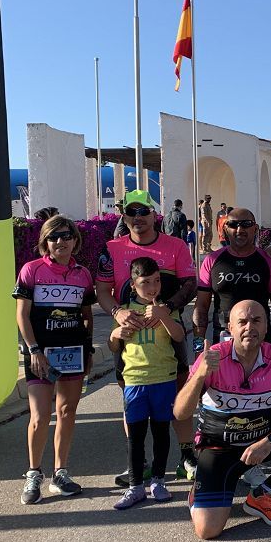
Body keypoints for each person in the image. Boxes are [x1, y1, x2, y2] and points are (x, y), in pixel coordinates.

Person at [174, 300, 271, 539]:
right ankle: (201, 489)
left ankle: (261, 495)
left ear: (266, 327)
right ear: (230, 327)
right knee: (208, 531)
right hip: (218, 448)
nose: (250, 327)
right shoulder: (213, 357)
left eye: (257, 320)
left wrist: (269, 441)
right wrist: (200, 376)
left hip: (262, 444)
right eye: (242, 322)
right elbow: (180, 413)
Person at [95, 189, 198, 484]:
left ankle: (186, 456)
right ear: (124, 216)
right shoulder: (111, 249)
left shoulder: (175, 245)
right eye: (132, 212)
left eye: (144, 212)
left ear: (155, 215)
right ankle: (137, 462)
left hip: (168, 332)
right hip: (129, 336)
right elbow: (102, 291)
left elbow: (190, 284)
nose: (138, 218)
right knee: (130, 396)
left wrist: (166, 309)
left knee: (180, 393)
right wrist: (116, 313)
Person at [13, 216, 95, 504]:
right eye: (54, 237)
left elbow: (86, 316)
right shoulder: (31, 270)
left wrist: (90, 351)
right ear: (45, 242)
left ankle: (60, 473)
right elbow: (22, 315)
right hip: (40, 354)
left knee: (67, 412)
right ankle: (34, 473)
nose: (60, 241)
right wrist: (33, 351)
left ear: (75, 240)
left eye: (66, 235)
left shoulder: (83, 274)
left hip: (73, 351)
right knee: (38, 417)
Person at [108, 257, 186, 509]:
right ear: (133, 284)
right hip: (134, 381)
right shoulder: (125, 311)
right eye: (145, 283)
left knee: (161, 432)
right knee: (136, 437)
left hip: (164, 379)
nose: (152, 287)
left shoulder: (166, 308)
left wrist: (164, 316)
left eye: (156, 281)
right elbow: (113, 345)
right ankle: (135, 487)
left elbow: (179, 336)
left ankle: (159, 481)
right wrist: (114, 334)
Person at [193, 207, 271, 348]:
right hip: (224, 339)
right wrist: (198, 347)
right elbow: (201, 306)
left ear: (255, 228)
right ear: (225, 229)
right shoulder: (212, 260)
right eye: (233, 224)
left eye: (246, 224)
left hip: (260, 340)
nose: (239, 229)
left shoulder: (268, 260)